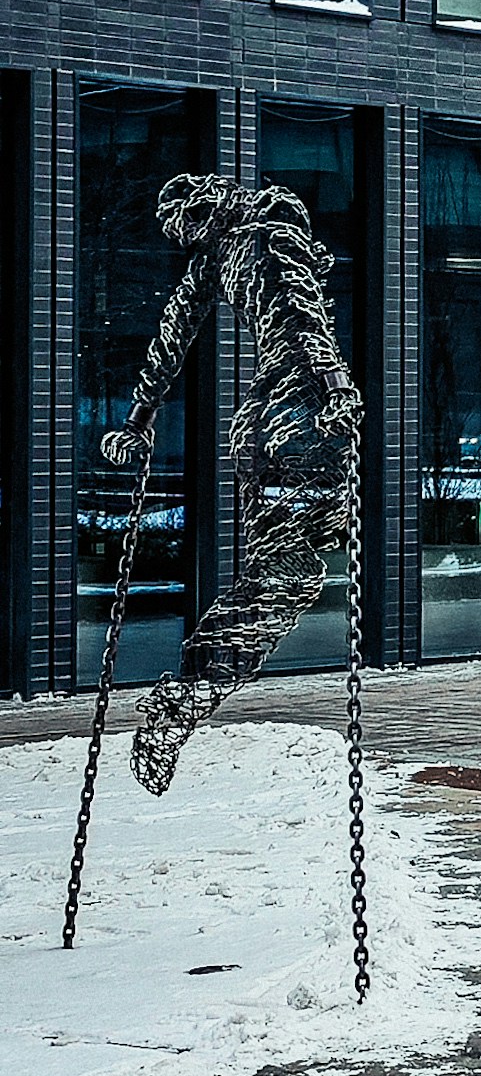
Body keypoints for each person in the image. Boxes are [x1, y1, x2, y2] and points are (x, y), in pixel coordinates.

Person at [100, 173, 363, 796]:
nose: (186, 240)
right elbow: (300, 316)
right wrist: (336, 390)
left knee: (283, 577)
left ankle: (188, 695)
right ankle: (186, 697)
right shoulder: (259, 238)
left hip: (267, 423)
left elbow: (173, 340)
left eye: (186, 228)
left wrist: (139, 419)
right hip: (299, 419)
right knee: (287, 580)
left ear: (205, 210)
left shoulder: (233, 249)